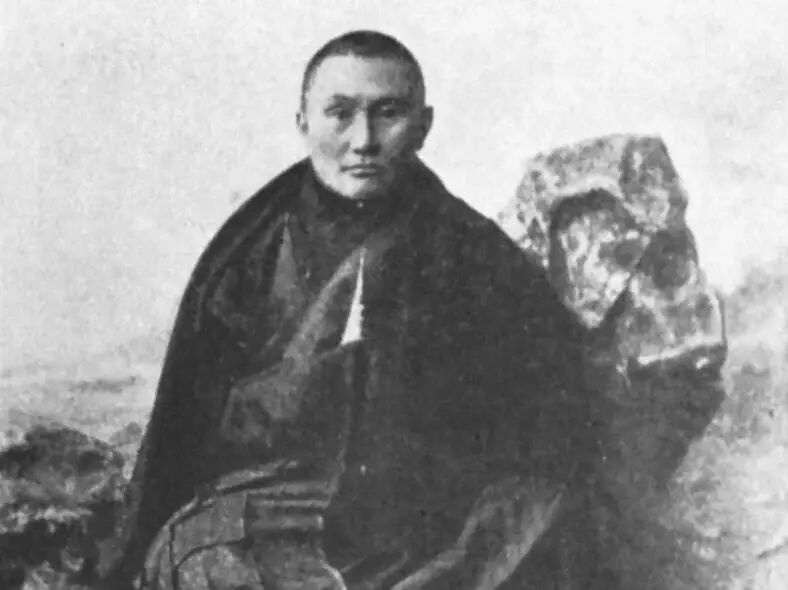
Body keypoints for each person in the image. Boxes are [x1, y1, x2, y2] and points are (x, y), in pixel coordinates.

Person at [100, 30, 608, 590]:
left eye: (388, 113)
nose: (363, 140)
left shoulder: (482, 258)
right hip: (264, 519)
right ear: (303, 123)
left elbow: (547, 445)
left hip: (427, 530)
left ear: (423, 125)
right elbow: (185, 437)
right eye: (340, 114)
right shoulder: (246, 253)